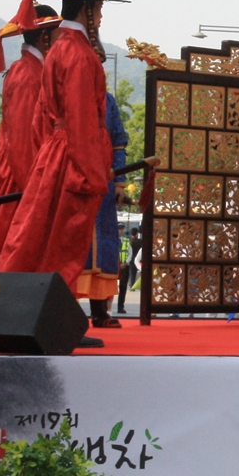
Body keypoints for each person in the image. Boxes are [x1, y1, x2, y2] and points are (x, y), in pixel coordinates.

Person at [1, 0, 121, 348]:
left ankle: (33, 319)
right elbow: (85, 120)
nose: (100, 17)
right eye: (98, 8)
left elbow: (42, 116)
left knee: (43, 239)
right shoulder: (80, 55)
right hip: (74, 156)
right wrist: (91, 173)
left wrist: (44, 160)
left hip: (55, 153)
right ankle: (55, 322)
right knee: (65, 246)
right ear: (87, 7)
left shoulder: (59, 50)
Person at [0, 0, 61, 265]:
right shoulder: (27, 74)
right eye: (58, 35)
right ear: (44, 37)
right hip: (20, 174)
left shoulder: (34, 70)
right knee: (10, 248)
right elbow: (23, 142)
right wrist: (34, 190)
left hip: (25, 170)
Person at [77, 91, 129, 329]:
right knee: (74, 247)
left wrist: (120, 183)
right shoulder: (67, 91)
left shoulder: (107, 100)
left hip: (104, 186)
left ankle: (100, 312)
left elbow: (119, 141)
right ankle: (64, 314)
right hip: (73, 179)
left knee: (104, 248)